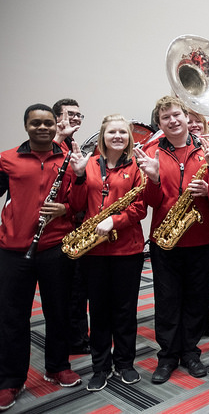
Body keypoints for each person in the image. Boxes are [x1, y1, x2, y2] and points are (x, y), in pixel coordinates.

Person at [133, 96, 209, 384]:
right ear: (159, 123)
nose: (172, 121)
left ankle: (190, 351)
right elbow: (149, 203)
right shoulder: (151, 152)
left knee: (197, 299)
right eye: (165, 118)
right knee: (167, 299)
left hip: (202, 239)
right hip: (165, 241)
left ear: (187, 118)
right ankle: (168, 355)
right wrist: (152, 178)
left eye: (177, 115)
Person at [0, 104, 82, 411]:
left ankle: (57, 366)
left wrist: (66, 209)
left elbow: (80, 200)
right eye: (36, 123)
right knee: (12, 317)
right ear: (26, 126)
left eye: (48, 122)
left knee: (59, 311)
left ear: (55, 125)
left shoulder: (69, 160)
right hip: (13, 249)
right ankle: (10, 379)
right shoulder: (8, 159)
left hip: (54, 247)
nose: (43, 127)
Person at [68, 114, 147, 391]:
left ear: (129, 137)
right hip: (94, 251)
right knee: (99, 311)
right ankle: (100, 367)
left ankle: (125, 363)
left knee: (125, 310)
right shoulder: (87, 164)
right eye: (112, 132)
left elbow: (139, 207)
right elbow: (76, 203)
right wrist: (78, 177)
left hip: (128, 249)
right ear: (103, 136)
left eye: (123, 133)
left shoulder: (137, 167)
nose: (117, 137)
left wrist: (114, 220)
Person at [53, 98, 91, 356]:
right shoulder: (53, 146)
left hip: (74, 227)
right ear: (57, 118)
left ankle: (77, 337)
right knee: (63, 291)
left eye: (79, 115)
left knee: (78, 289)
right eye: (70, 114)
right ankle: (70, 339)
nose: (76, 119)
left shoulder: (74, 146)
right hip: (54, 231)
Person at [187, 108, 209, 339]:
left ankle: (207, 317)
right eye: (188, 122)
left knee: (205, 276)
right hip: (185, 222)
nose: (193, 125)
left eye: (197, 121)